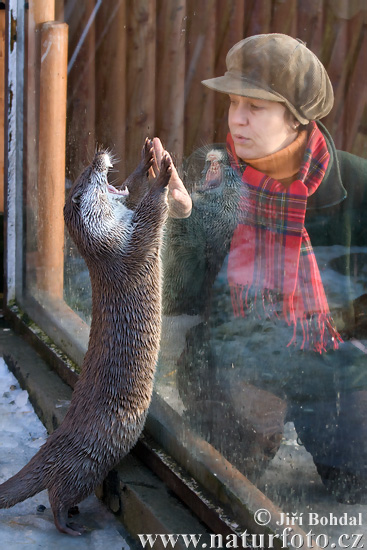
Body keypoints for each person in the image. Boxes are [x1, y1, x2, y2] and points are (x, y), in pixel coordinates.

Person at [153, 34, 367, 503]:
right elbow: (181, 300)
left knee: (356, 487)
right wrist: (183, 221)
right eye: (233, 102)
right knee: (213, 489)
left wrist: (331, 364)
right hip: (235, 363)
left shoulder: (355, 183)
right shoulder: (214, 172)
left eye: (255, 106)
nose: (237, 119)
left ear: (296, 117)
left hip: (330, 370)